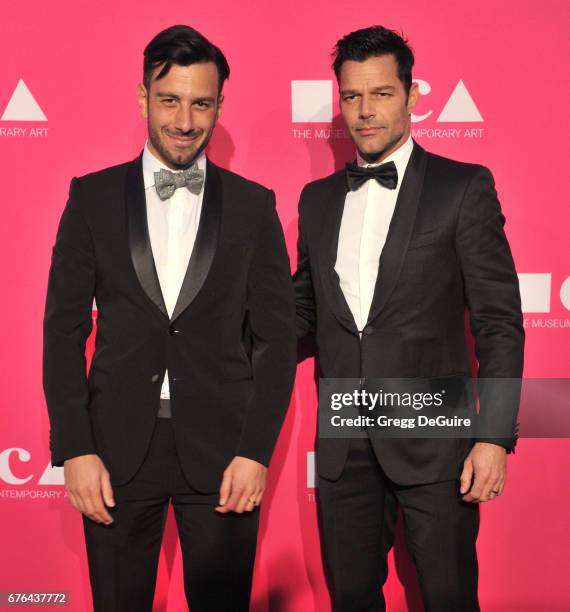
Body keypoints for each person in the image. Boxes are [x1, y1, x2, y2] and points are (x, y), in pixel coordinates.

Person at [43, 24, 296, 612]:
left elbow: (276, 342)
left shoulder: (255, 206)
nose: (185, 121)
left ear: (219, 106)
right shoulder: (91, 198)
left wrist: (255, 451)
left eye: (201, 103)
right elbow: (62, 332)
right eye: (170, 100)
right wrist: (75, 449)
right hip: (113, 451)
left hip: (224, 452)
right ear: (143, 99)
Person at [293, 25, 524, 611]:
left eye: (382, 93)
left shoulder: (463, 188)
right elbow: (304, 312)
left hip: (437, 439)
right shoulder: (315, 201)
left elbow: (499, 321)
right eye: (351, 96)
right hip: (344, 437)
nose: (365, 111)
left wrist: (493, 436)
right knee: (351, 598)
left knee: (448, 597)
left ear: (412, 95)